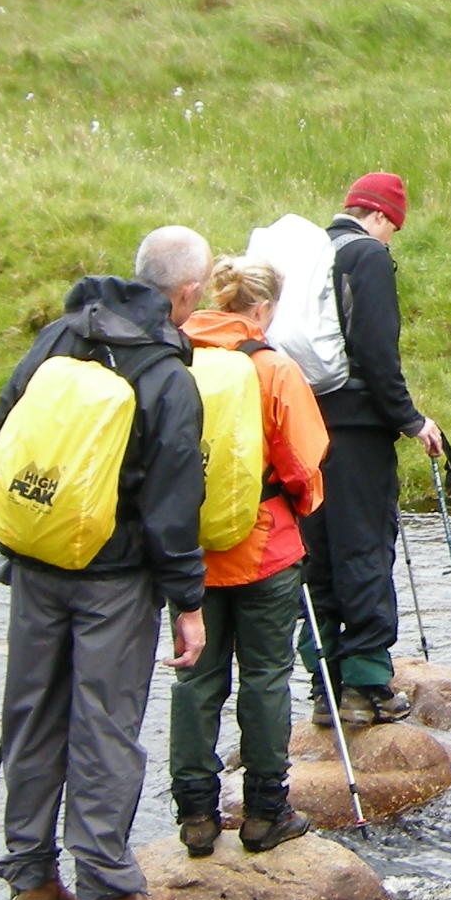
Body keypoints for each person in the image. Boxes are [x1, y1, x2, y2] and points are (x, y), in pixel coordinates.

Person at [0, 226, 210, 900]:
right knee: (104, 725)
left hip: (35, 563)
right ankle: (105, 887)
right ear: (188, 294)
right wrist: (188, 603)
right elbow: (174, 503)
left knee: (32, 713)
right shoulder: (166, 375)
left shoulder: (56, 337)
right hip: (115, 579)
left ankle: (32, 878)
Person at [169, 255, 330, 858]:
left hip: (186, 551)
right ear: (261, 309)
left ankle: (195, 818)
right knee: (265, 677)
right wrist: (303, 504)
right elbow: (304, 464)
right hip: (265, 546)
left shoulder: (169, 360)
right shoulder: (273, 368)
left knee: (195, 677)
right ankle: (266, 813)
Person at [304, 171, 442, 727]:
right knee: (363, 549)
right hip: (358, 432)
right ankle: (366, 686)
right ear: (383, 217)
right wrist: (410, 419)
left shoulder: (314, 252)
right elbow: (378, 353)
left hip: (304, 427)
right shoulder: (367, 256)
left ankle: (323, 687)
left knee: (318, 555)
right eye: (394, 229)